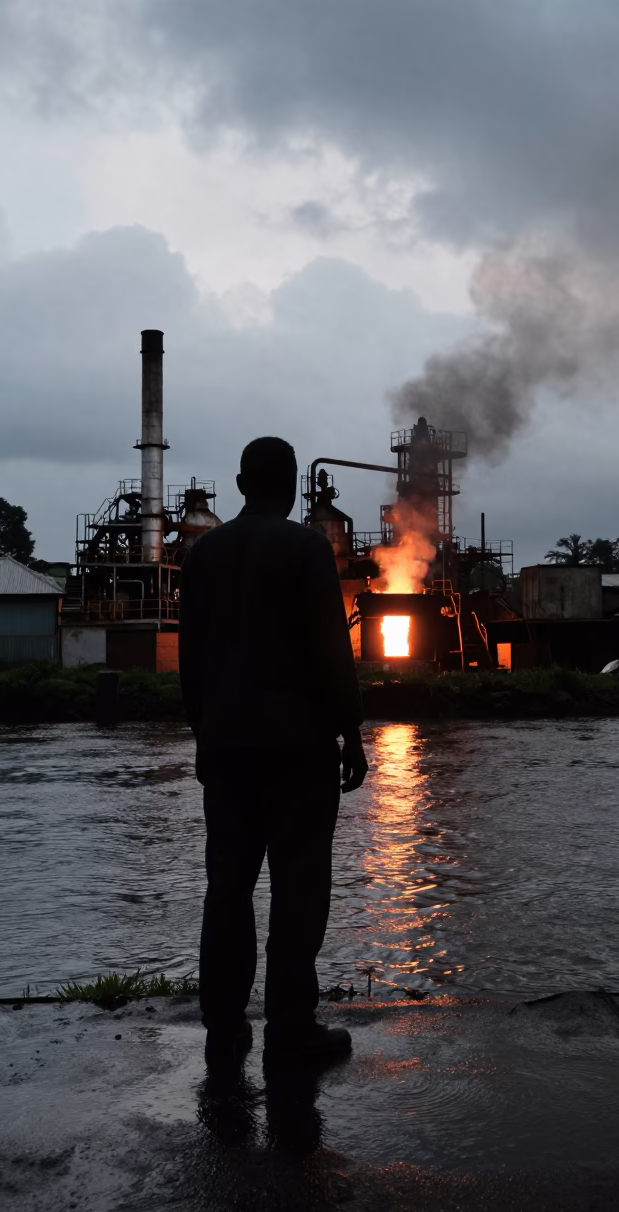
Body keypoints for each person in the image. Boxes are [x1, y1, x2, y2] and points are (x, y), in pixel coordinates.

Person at [179, 436, 368, 1066]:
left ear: (238, 485)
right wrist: (353, 732)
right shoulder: (308, 547)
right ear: (291, 486)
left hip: (228, 747)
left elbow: (190, 658)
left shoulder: (204, 555)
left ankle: (224, 1028)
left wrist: (203, 733)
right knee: (299, 886)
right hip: (298, 749)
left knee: (226, 888)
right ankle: (291, 1027)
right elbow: (331, 649)